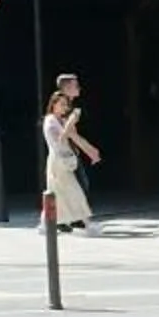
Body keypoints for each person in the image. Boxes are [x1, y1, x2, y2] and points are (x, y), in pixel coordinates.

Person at [42, 89, 95, 233]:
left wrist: (90, 151)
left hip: (67, 159)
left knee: (70, 191)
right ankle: (63, 221)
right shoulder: (50, 120)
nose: (64, 107)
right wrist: (71, 121)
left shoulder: (62, 120)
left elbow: (74, 137)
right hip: (57, 161)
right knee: (60, 192)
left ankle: (67, 220)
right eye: (61, 104)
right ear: (53, 104)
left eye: (66, 105)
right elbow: (61, 138)